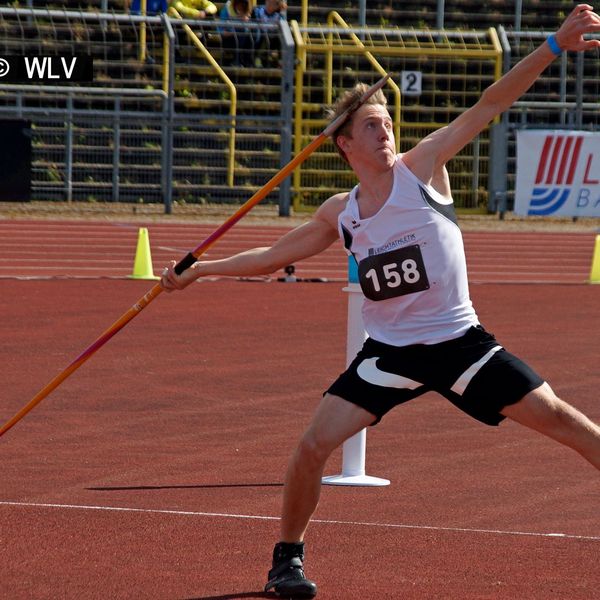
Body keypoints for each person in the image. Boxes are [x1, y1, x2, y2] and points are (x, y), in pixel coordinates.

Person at [161, 5, 600, 598]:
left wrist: (552, 44)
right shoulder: (341, 215)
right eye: (372, 125)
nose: (387, 131)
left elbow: (490, 104)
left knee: (566, 423)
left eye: (388, 121)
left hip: (459, 344)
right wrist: (199, 272)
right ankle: (285, 561)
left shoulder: (423, 169)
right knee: (314, 444)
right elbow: (268, 257)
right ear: (343, 143)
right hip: (390, 353)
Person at [218, 0, 254, 67]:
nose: (241, 6)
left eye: (244, 4)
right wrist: (228, 33)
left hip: (242, 40)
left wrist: (246, 23)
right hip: (228, 39)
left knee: (246, 34)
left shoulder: (247, 13)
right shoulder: (226, 10)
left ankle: (246, 61)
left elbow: (249, 30)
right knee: (240, 33)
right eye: (240, 3)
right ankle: (237, 60)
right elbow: (220, 30)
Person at [252, 0, 286, 66]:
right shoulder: (258, 11)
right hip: (261, 39)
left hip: (273, 39)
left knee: (281, 37)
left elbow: (283, 25)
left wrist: (282, 12)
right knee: (261, 37)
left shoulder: (279, 15)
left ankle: (281, 61)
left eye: (275, 3)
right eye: (269, 1)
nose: (271, 4)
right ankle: (257, 58)